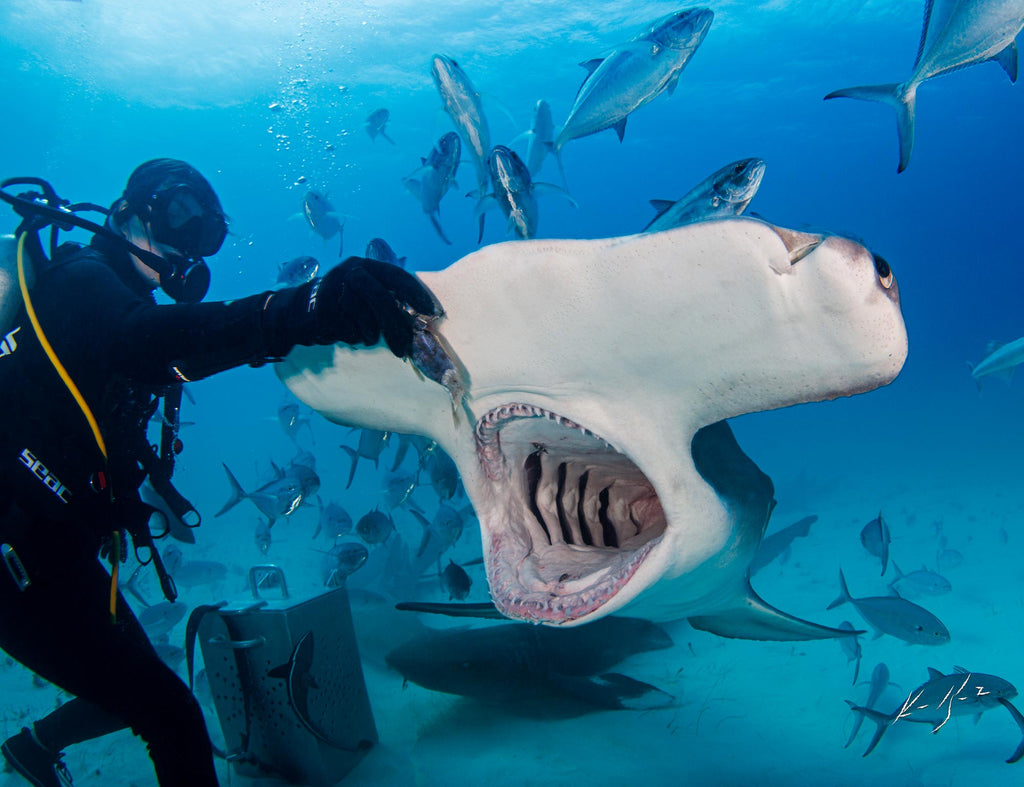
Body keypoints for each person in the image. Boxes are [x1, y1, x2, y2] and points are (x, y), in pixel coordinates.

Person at [0, 159, 437, 786]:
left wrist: (132, 504)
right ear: (126, 213)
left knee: (132, 681)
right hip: (15, 553)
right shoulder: (79, 282)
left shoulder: (122, 305)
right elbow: (148, 341)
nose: (188, 245)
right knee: (171, 715)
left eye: (205, 234)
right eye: (179, 218)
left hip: (58, 547)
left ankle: (34, 746)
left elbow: (157, 361)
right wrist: (305, 308)